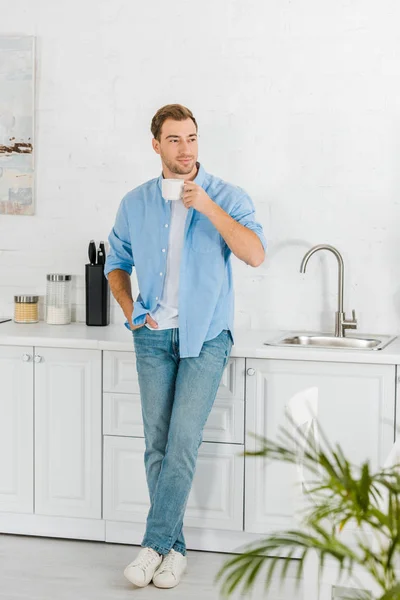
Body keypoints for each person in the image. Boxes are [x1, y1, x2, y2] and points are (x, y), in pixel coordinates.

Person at [104, 104, 267, 590]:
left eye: (192, 138)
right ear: (156, 145)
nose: (186, 149)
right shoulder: (135, 202)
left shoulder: (226, 196)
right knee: (156, 444)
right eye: (174, 139)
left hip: (206, 337)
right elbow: (116, 260)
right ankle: (175, 551)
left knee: (182, 441)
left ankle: (153, 544)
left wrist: (207, 206)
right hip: (152, 336)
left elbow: (255, 254)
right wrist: (129, 308)